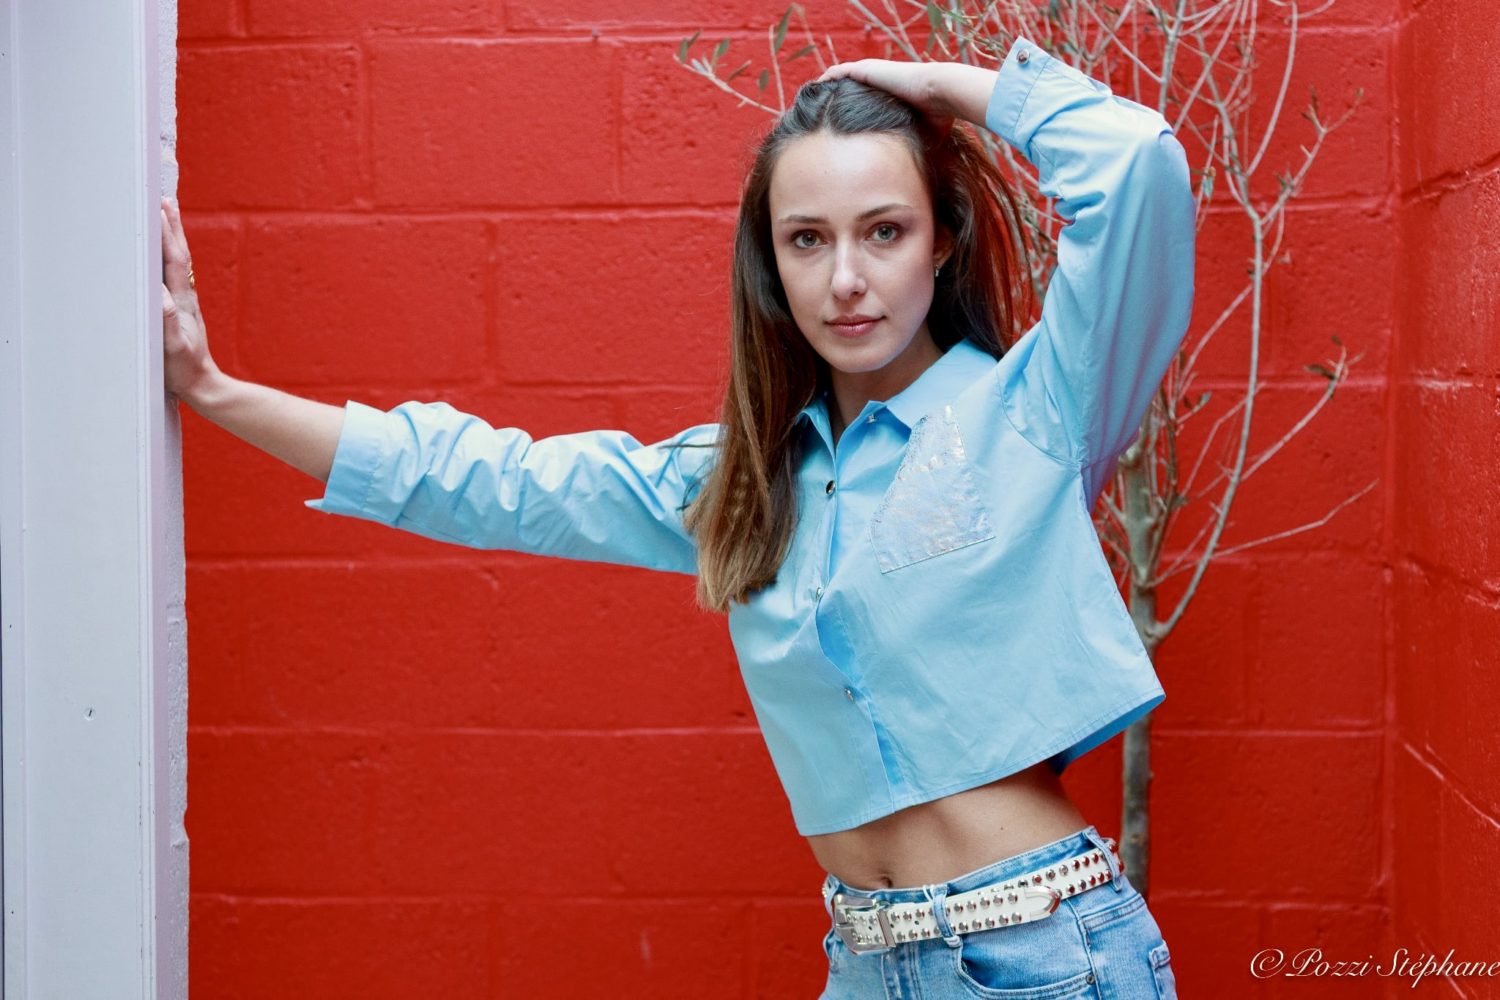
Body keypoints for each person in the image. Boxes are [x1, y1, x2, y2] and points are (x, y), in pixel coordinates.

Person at [163, 32, 1191, 1000]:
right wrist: (214, 390)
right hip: (865, 960)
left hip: (1043, 954)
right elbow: (486, 479)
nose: (846, 280)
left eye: (885, 231)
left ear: (942, 243)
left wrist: (929, 86)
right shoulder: (744, 483)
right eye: (806, 239)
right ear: (771, 265)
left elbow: (1135, 162)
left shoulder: (1033, 410)